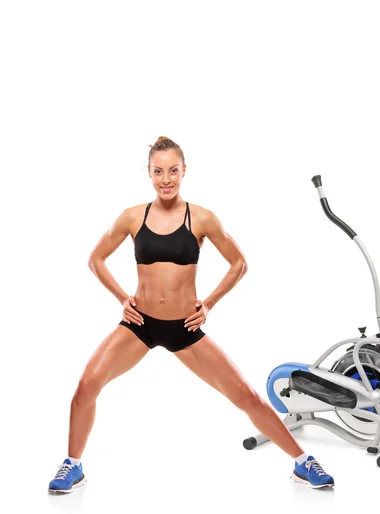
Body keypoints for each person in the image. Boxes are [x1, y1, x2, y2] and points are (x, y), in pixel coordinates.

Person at [48, 136, 334, 493]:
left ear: (184, 171)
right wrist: (123, 297)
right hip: (140, 325)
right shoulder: (132, 217)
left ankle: (302, 461)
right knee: (86, 386)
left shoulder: (201, 218)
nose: (165, 179)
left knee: (244, 395)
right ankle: (72, 465)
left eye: (173, 171)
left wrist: (209, 304)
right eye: (158, 171)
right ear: (148, 173)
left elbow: (239, 264)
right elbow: (95, 259)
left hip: (185, 327)